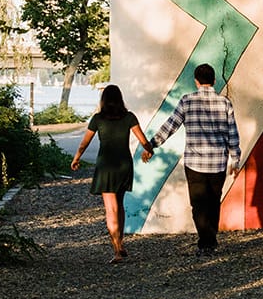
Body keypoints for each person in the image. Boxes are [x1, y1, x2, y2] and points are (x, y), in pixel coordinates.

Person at [149, 63, 241, 254]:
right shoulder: (224, 103)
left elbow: (171, 125)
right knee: (214, 201)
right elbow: (232, 133)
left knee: (198, 203)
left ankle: (205, 241)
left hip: (194, 163)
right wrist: (236, 159)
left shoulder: (187, 101)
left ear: (196, 81)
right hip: (217, 163)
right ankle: (210, 240)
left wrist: (152, 144)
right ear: (214, 81)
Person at [71, 84, 154, 262]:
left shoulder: (98, 119)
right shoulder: (129, 117)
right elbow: (143, 140)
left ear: (103, 100)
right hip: (124, 165)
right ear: (120, 99)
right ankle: (121, 243)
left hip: (106, 166)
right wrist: (149, 150)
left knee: (111, 209)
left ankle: (116, 250)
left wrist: (76, 158)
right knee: (120, 205)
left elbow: (84, 143)